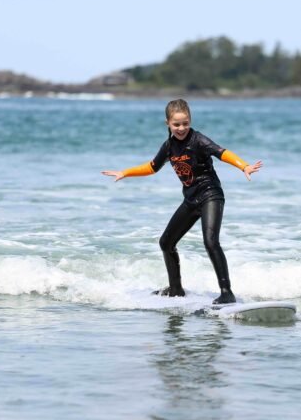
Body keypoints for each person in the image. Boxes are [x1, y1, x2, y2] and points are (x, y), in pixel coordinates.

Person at [102, 99, 262, 304]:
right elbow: (152, 167)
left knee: (210, 241)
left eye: (185, 123)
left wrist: (244, 166)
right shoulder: (169, 146)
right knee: (166, 243)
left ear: (190, 121)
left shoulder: (198, 140)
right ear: (168, 123)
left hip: (210, 194)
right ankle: (176, 290)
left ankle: (226, 293)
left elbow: (222, 153)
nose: (181, 128)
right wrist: (125, 172)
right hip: (191, 199)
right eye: (176, 124)